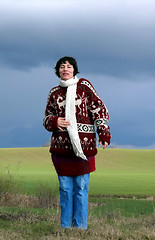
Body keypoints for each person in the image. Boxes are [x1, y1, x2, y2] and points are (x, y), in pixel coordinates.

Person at [43, 56, 111, 229]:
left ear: (74, 70)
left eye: (69, 66)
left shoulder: (84, 87)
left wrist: (103, 132)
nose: (65, 69)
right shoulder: (54, 93)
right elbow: (46, 118)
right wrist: (54, 122)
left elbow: (99, 109)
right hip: (61, 150)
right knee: (65, 190)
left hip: (83, 149)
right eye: (62, 67)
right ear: (57, 70)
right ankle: (65, 228)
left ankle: (80, 228)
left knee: (81, 190)